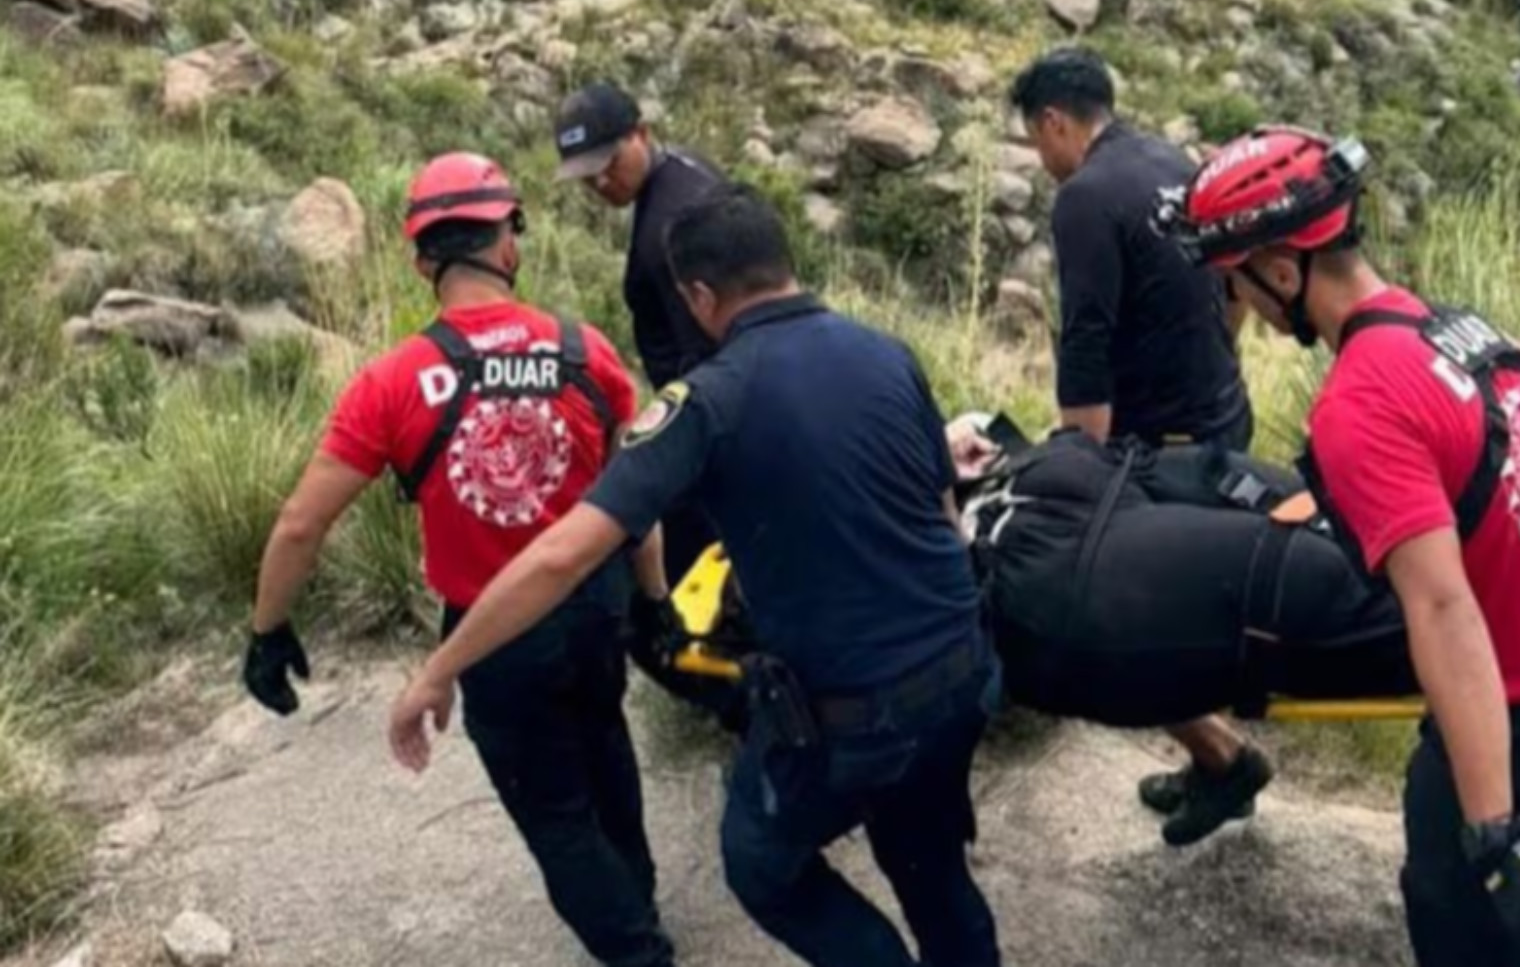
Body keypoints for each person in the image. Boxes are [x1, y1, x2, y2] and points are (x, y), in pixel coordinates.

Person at [388, 183, 1003, 967]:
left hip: (852, 714)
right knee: (931, 858)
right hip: (962, 673)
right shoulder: (886, 351)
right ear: (784, 263)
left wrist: (440, 668)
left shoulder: (706, 402)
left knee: (760, 859)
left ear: (701, 295)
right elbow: (943, 511)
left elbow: (560, 553)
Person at [1168, 124, 1520, 966]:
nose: (1244, 311)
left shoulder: (1360, 400)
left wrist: (1490, 834)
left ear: (1278, 268)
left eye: (1236, 284)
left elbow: (1444, 608)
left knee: (1468, 928)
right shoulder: (1452, 326)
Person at [241, 153, 676, 967]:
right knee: (604, 743)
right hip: (597, 606)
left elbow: (303, 523)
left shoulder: (392, 382)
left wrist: (268, 629)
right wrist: (653, 602)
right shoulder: (590, 354)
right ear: (508, 243)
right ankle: (637, 897)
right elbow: (635, 501)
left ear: (421, 261)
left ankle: (637, 947)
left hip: (492, 632)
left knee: (553, 811)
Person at [1009, 44, 1271, 848]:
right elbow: (1234, 279)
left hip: (1161, 446)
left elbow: (1085, 340)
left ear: (1055, 121)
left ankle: (1225, 759)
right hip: (1222, 417)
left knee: (1117, 613)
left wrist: (1077, 472)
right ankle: (1215, 755)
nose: (1039, 155)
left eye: (1033, 137)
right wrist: (1218, 367)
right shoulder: (1168, 156)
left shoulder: (1084, 195)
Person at [554, 80, 727, 589]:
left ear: (641, 134)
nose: (602, 182)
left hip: (711, 420)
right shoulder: (685, 171)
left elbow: (712, 348)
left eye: (609, 163)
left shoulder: (670, 226)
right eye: (587, 175)